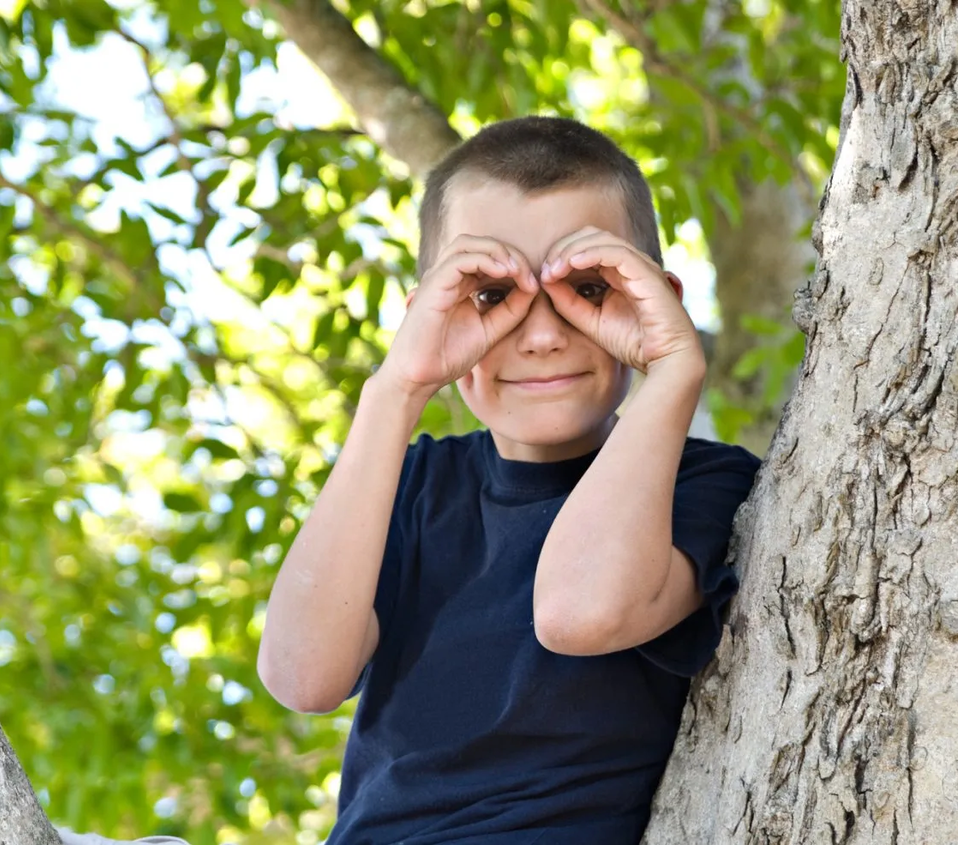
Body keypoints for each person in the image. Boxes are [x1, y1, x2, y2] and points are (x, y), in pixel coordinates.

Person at [257, 115, 761, 845]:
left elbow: (578, 611)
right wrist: (397, 385)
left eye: (588, 287)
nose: (543, 334)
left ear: (656, 295)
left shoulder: (709, 483)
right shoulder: (412, 483)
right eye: (491, 295)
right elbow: (304, 675)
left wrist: (675, 365)